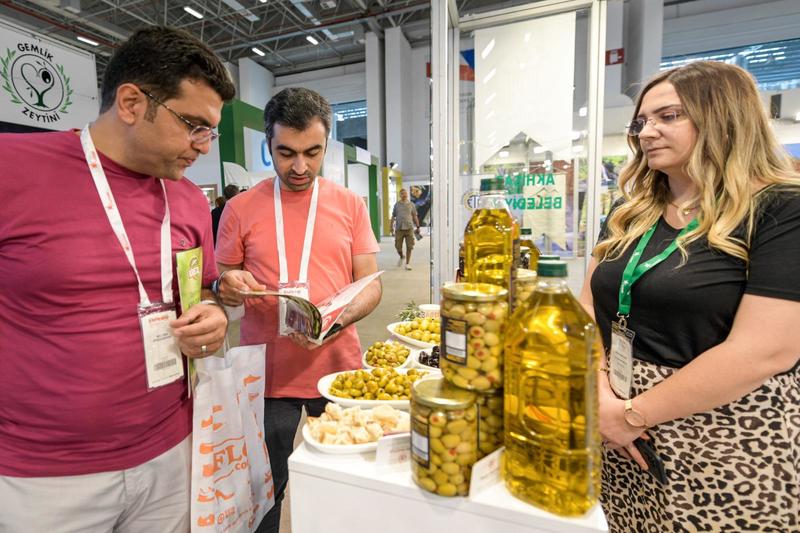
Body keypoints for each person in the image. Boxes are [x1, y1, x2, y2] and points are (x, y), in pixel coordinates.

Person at [0, 27, 234, 532]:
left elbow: (203, 290)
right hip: (44, 477)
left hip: (172, 451)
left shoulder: (189, 199)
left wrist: (213, 315)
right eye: (194, 126)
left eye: (210, 132)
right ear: (131, 103)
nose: (202, 146)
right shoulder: (12, 169)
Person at [579, 61, 800, 531]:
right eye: (641, 122)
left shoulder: (782, 208)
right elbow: (588, 309)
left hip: (725, 434)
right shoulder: (630, 211)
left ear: (723, 116)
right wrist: (600, 392)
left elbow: (765, 350)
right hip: (618, 425)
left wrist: (633, 414)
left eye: (669, 116)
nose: (646, 132)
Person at [214, 87, 382, 533]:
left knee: (347, 485)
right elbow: (223, 286)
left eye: (313, 152)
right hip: (267, 375)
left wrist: (337, 321)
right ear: (268, 144)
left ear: (327, 143)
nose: (300, 167)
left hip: (339, 370)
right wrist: (227, 286)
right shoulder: (239, 209)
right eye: (286, 153)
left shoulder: (349, 204)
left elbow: (370, 284)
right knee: (266, 490)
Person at [391, 187, 420, 269]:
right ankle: (401, 256)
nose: (404, 195)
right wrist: (391, 227)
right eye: (402, 193)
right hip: (399, 229)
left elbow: (415, 216)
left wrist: (418, 226)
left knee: (409, 247)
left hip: (409, 228)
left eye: (405, 193)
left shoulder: (411, 205)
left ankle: (407, 263)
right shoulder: (396, 205)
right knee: (398, 247)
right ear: (400, 195)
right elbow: (393, 216)